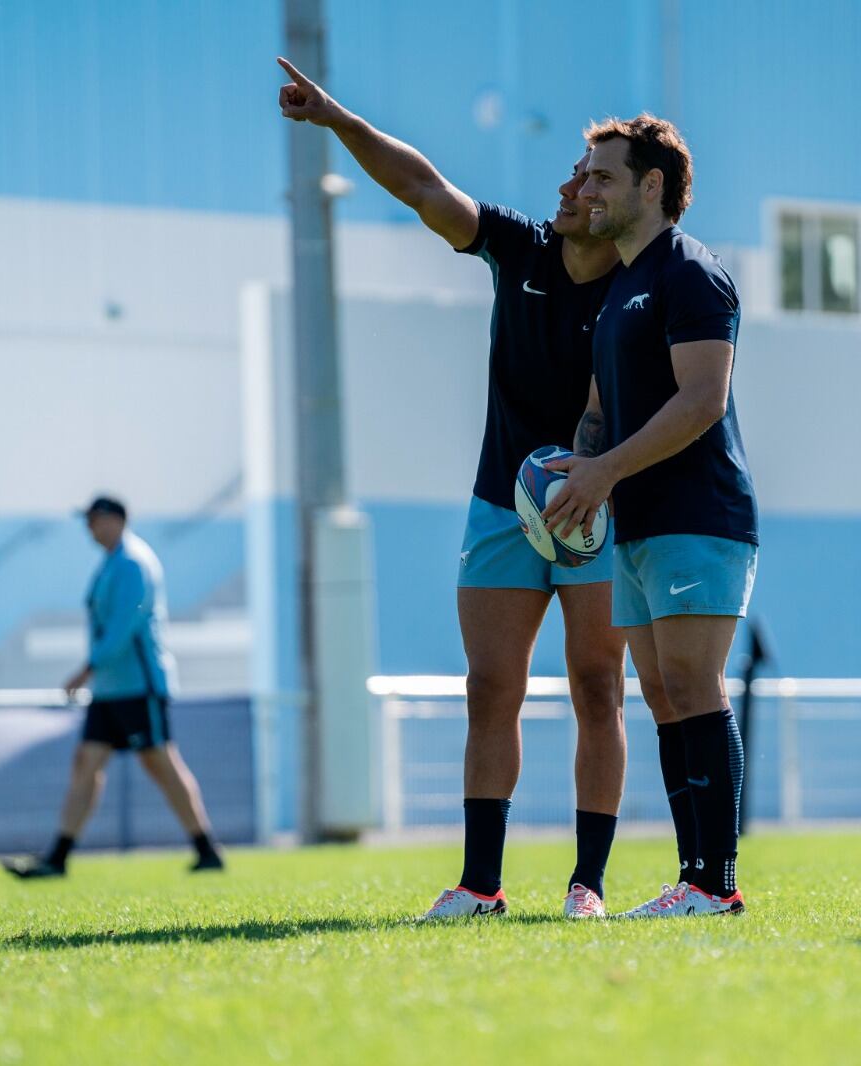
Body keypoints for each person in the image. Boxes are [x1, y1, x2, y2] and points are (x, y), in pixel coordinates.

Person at [276, 59, 628, 919]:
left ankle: (588, 885)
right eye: (574, 170)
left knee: (597, 689)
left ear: (622, 198)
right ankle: (482, 884)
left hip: (600, 507)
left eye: (588, 176)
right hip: (499, 508)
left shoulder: (645, 285)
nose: (569, 183)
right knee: (489, 689)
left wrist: (594, 478)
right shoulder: (519, 246)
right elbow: (423, 186)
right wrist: (336, 119)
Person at [543, 114, 756, 918]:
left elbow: (704, 400)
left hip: (699, 512)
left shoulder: (690, 272)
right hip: (630, 520)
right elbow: (600, 410)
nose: (585, 188)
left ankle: (717, 884)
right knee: (664, 695)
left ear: (652, 185)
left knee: (694, 685)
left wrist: (603, 471)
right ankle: (694, 876)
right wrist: (569, 478)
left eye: (602, 175)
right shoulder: (620, 285)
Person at [2, 496, 223, 878]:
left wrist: (86, 669)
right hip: (110, 689)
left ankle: (206, 849)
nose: (89, 529)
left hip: (138, 686)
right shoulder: (113, 562)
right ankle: (57, 857)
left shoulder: (133, 563)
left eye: (94, 521)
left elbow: (123, 628)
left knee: (161, 764)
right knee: (86, 762)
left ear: (116, 520)